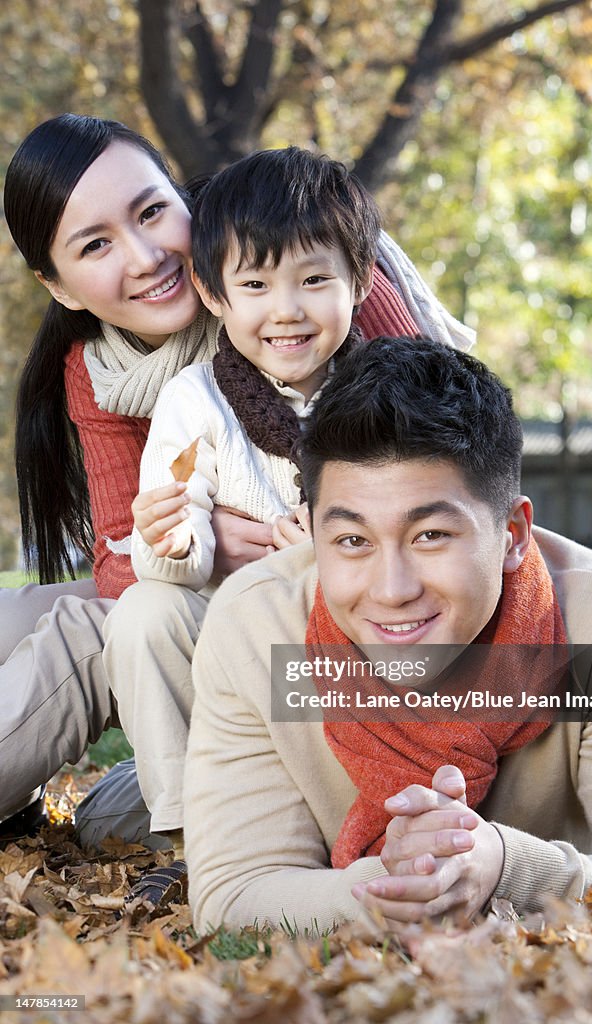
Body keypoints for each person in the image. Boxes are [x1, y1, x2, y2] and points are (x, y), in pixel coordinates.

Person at [0, 112, 471, 845]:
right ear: (56, 286)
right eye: (95, 245)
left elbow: (440, 450)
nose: (147, 255)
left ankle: (205, 817)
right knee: (17, 621)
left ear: (184, 199)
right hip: (195, 590)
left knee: (81, 643)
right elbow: (121, 556)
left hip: (329, 614)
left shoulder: (309, 278)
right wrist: (205, 536)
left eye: (152, 211)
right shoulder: (98, 372)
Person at [184, 335, 592, 934]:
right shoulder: (254, 623)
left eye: (431, 536)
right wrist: (392, 888)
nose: (392, 589)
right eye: (351, 541)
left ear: (513, 535)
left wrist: (502, 865)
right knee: (120, 814)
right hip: (195, 778)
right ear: (311, 531)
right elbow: (235, 892)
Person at [102, 145, 383, 866]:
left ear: (360, 281)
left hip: (357, 655)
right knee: (145, 611)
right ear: (215, 293)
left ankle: (359, 814)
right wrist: (170, 543)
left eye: (314, 279)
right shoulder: (194, 401)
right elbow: (178, 571)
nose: (285, 311)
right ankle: (191, 839)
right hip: (237, 657)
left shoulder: (389, 393)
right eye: (255, 284)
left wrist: (332, 544)